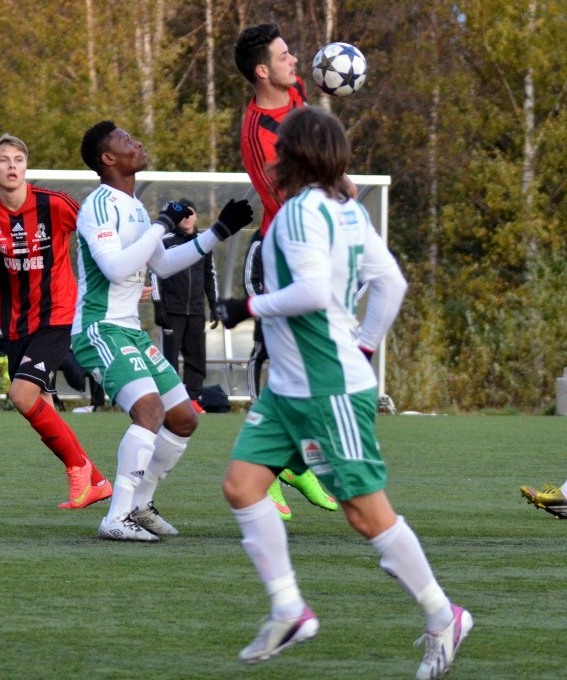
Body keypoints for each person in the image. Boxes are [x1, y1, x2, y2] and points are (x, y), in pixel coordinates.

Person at [216, 107, 472, 678]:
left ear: (294, 155)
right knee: (242, 485)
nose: (273, 157)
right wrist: (366, 345)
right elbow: (391, 283)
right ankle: (288, 609)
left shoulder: (301, 212)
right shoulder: (346, 210)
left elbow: (310, 292)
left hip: (326, 388)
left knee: (366, 513)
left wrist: (247, 306)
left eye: (281, 149)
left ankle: (443, 615)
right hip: (290, 388)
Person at [74, 120, 253, 542]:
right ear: (108, 157)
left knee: (184, 419)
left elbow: (164, 264)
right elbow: (114, 268)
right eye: (125, 140)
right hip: (99, 327)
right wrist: (161, 226)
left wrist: (218, 233)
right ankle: (116, 517)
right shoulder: (99, 205)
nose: (136, 142)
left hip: (129, 331)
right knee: (150, 412)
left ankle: (140, 506)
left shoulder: (135, 207)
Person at [0, 133, 111, 510]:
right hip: (15, 325)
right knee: (41, 404)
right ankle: (98, 481)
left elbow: (97, 238)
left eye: (18, 159)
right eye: (3, 160)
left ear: (26, 167)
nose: (11, 165)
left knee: (21, 395)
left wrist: (120, 281)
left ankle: (77, 468)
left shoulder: (54, 204)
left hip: (58, 314)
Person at [234, 21, 341, 520]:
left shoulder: (297, 91)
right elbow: (291, 202)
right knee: (282, 367)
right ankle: (269, 470)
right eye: (283, 55)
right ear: (262, 72)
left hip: (314, 250)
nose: (294, 59)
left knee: (317, 369)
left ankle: (291, 464)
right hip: (281, 257)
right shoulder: (258, 134)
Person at [151, 199, 217, 414]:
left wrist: (214, 304)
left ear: (196, 216)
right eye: (183, 214)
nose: (187, 218)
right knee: (169, 359)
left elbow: (209, 274)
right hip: (172, 311)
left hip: (196, 311)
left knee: (196, 356)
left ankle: (194, 399)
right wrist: (158, 306)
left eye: (191, 213)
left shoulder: (204, 242)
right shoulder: (166, 241)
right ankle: (171, 400)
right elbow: (155, 274)